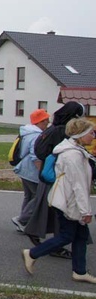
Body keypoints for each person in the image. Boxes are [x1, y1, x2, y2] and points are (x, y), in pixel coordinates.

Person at [22, 118, 96, 284]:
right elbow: (78, 185)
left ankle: (80, 271)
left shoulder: (75, 150)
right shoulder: (72, 156)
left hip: (69, 201)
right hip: (69, 203)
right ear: (81, 135)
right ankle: (32, 253)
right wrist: (86, 211)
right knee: (67, 236)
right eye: (91, 132)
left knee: (80, 236)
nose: (93, 136)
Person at [23, 101, 85, 256]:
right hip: (57, 176)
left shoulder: (53, 128)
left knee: (46, 208)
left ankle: (37, 232)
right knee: (59, 210)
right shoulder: (63, 131)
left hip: (47, 173)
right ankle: (54, 244)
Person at [11, 109, 50, 232]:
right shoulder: (36, 135)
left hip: (23, 169)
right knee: (38, 197)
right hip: (31, 171)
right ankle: (22, 219)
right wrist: (42, 173)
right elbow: (35, 156)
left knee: (28, 196)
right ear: (40, 122)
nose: (47, 123)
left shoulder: (26, 132)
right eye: (46, 121)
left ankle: (23, 222)